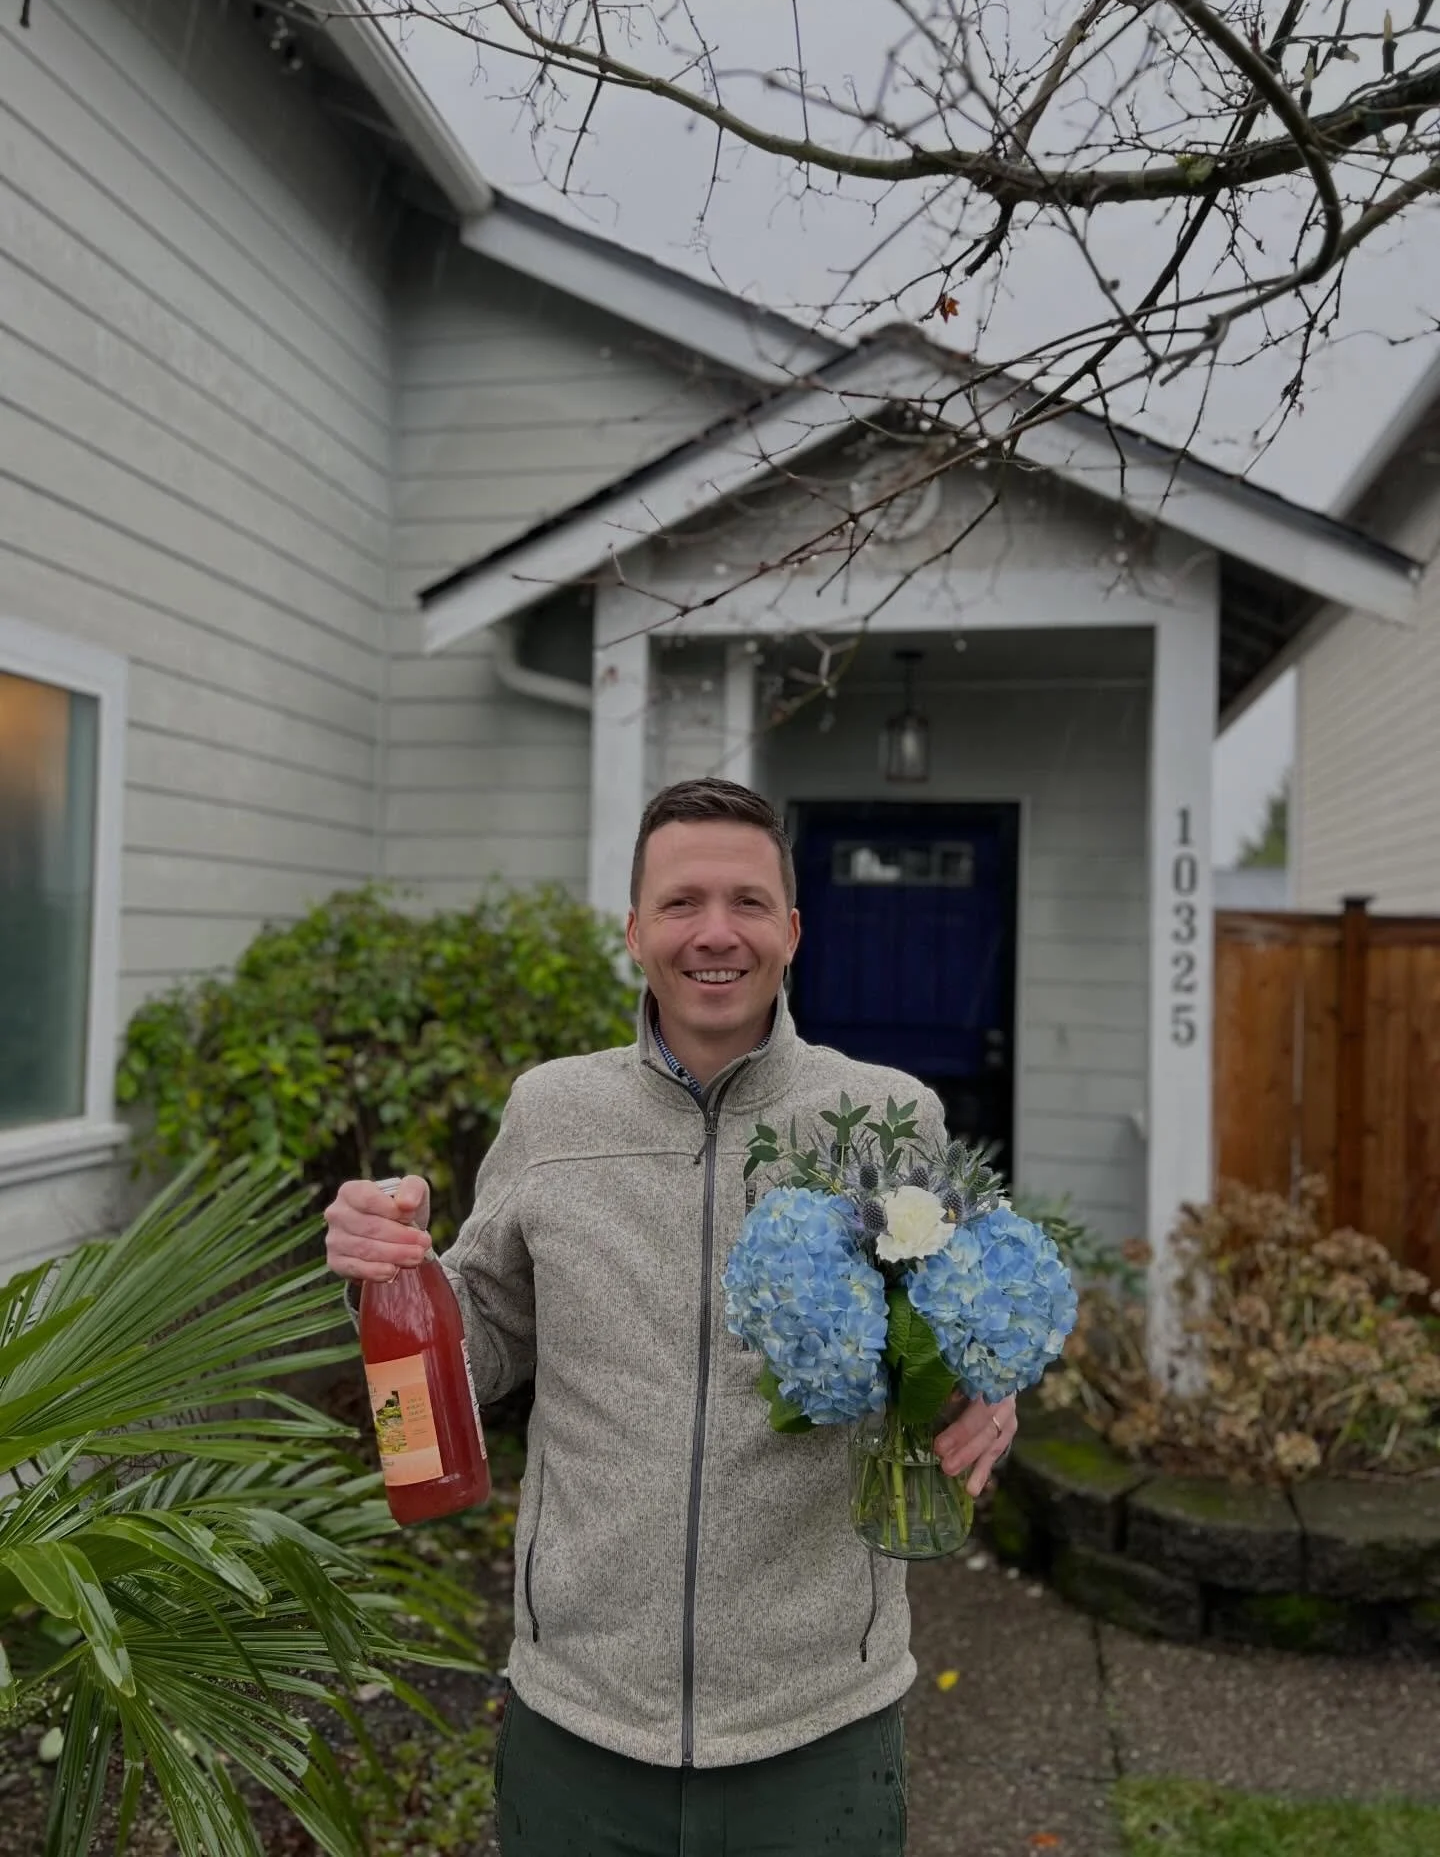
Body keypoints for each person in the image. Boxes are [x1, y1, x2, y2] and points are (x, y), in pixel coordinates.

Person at [325, 779, 1017, 1856]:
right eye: (682, 902)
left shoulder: (886, 1116)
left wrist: (990, 1385)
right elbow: (487, 1337)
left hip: (818, 1715)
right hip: (582, 1711)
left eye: (747, 902)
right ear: (635, 930)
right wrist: (387, 1268)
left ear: (791, 931)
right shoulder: (551, 1113)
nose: (714, 933)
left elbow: (954, 1327)